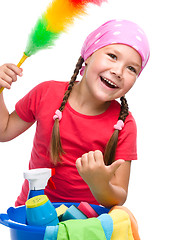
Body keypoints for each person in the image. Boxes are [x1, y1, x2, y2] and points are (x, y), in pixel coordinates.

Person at [0, 19, 150, 208]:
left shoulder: (124, 124)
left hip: (85, 227)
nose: (119, 71)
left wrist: (100, 184)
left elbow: (118, 197)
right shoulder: (45, 93)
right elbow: (3, 130)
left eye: (131, 68)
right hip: (33, 217)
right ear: (88, 55)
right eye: (112, 56)